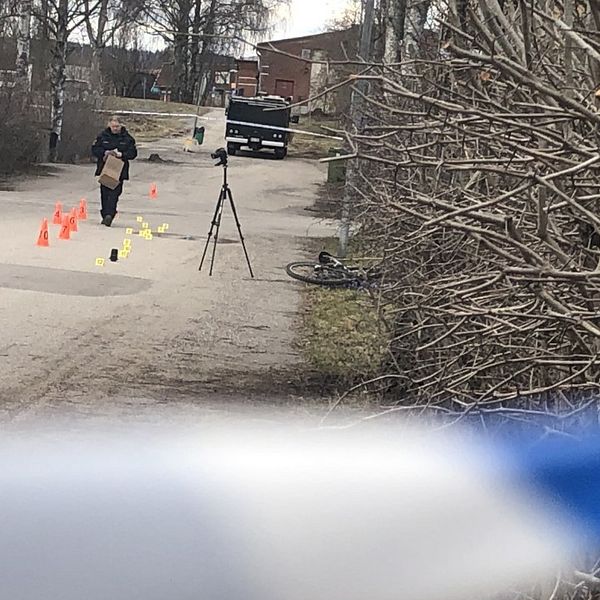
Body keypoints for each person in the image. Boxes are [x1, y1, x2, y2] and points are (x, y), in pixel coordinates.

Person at [92, 116, 137, 227]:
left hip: (119, 170)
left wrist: (121, 154)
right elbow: (95, 150)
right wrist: (105, 152)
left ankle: (110, 214)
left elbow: (133, 153)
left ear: (121, 126)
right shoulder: (102, 136)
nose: (115, 128)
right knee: (104, 193)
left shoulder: (127, 138)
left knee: (114, 194)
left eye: (117, 126)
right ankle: (105, 213)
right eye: (113, 126)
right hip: (105, 169)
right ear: (109, 125)